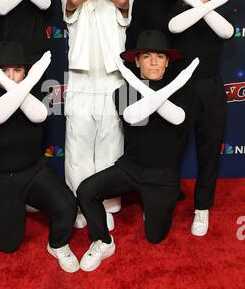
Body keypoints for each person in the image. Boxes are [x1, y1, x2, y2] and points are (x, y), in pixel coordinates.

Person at [76, 30, 199, 272]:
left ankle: (156, 204)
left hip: (163, 175)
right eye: (146, 56)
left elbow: (177, 117)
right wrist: (138, 83)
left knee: (155, 237)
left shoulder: (185, 90)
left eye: (160, 56)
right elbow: (134, 116)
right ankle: (103, 241)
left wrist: (171, 85)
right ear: (136, 61)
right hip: (130, 168)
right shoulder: (124, 91)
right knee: (86, 190)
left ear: (167, 61)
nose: (153, 62)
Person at [0, 41, 79, 273]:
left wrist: (24, 84)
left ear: (25, 71)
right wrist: (32, 77)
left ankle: (57, 245)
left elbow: (39, 116)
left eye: (17, 70)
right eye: (3, 70)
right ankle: (20, 203)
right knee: (8, 246)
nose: (10, 76)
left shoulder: (36, 98)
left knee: (68, 206)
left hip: (33, 172)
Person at [60, 0, 135, 229]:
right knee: (77, 147)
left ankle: (104, 203)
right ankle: (80, 204)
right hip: (80, 82)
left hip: (115, 82)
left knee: (111, 146)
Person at [167, 0, 242, 236]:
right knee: (172, 149)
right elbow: (175, 28)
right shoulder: (176, 13)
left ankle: (201, 208)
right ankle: (165, 199)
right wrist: (193, 1)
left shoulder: (217, 18)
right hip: (180, 90)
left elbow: (226, 32)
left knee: (209, 153)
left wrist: (209, 5)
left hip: (211, 90)